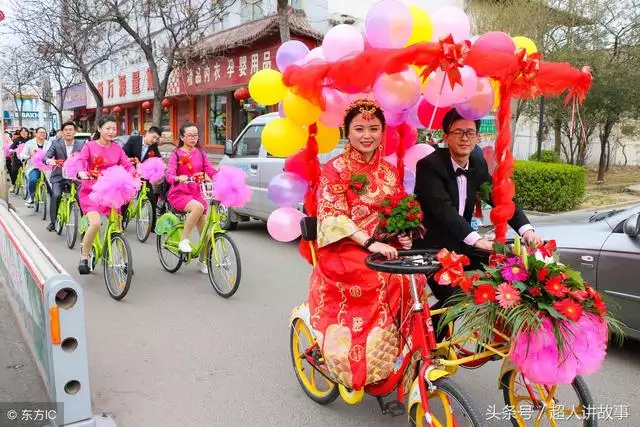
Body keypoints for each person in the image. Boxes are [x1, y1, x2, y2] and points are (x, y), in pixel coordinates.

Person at [308, 99, 419, 392]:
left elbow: (395, 211)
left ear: (383, 131)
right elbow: (333, 216)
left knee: (415, 276)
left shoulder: (389, 172)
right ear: (347, 131)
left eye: (373, 128)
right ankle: (361, 357)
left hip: (382, 245)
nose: (366, 135)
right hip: (343, 248)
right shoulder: (334, 169)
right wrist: (369, 242)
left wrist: (403, 234)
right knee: (382, 278)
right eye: (359, 128)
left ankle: (399, 351)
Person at [413, 108, 543, 335]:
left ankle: (502, 335)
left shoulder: (477, 162)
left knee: (506, 276)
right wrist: (478, 240)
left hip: (462, 245)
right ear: (446, 136)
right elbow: (445, 211)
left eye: (470, 133)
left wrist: (526, 230)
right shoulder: (428, 166)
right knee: (454, 298)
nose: (465, 138)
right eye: (458, 132)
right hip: (432, 249)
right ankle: (428, 342)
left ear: (477, 137)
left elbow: (500, 199)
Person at [75, 115, 134, 274]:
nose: (111, 131)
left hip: (112, 192)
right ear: (99, 129)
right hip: (91, 192)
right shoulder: (89, 146)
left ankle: (123, 260)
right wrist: (82, 172)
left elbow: (127, 165)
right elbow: (81, 160)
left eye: (114, 128)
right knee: (95, 224)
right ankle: (84, 256)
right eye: (108, 128)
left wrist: (133, 174)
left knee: (118, 228)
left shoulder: (117, 148)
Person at [166, 122, 216, 274]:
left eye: (195, 135)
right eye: (190, 135)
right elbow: (169, 175)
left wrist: (223, 175)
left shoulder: (201, 153)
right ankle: (183, 240)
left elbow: (210, 170)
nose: (193, 138)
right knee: (198, 207)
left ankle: (202, 262)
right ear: (182, 137)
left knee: (206, 235)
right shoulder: (176, 154)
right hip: (180, 193)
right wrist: (177, 178)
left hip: (197, 193)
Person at [44, 121, 85, 232]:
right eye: (66, 130)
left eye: (70, 130)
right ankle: (53, 222)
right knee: (56, 195)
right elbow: (46, 156)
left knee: (81, 198)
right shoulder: (56, 143)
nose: (68, 132)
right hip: (59, 176)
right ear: (62, 132)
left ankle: (86, 223)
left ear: (75, 131)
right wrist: (50, 161)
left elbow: (87, 158)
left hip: (75, 177)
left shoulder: (82, 144)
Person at [121, 126, 162, 227]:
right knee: (126, 198)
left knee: (151, 197)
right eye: (153, 137)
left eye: (157, 139)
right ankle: (121, 220)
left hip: (143, 175)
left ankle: (153, 226)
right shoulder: (134, 140)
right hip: (130, 172)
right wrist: (132, 162)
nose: (154, 140)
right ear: (147, 133)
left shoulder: (154, 146)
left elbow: (158, 159)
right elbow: (123, 154)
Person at [19, 127, 51, 208]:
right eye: (40, 132)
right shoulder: (30, 143)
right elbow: (22, 154)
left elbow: (53, 153)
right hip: (33, 167)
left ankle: (55, 201)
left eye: (44, 133)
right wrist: (27, 156)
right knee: (33, 180)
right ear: (36, 133)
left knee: (51, 184)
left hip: (46, 168)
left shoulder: (49, 143)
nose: (42, 134)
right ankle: (32, 197)